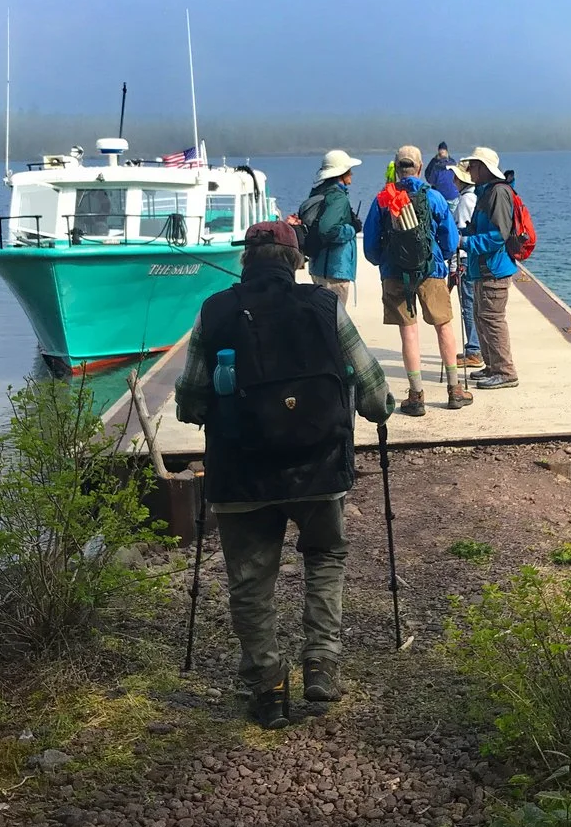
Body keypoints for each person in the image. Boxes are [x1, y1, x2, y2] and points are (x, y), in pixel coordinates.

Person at [174, 220, 394, 728]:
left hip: (240, 472)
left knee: (250, 581)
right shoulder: (325, 306)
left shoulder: (215, 312)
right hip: (318, 469)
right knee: (325, 556)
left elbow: (189, 401)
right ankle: (321, 665)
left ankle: (269, 688)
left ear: (245, 260)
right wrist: (377, 410)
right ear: (296, 260)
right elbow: (374, 393)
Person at [362, 145, 475, 415]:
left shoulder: (382, 199)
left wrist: (383, 263)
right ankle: (454, 390)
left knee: (408, 331)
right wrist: (440, 257)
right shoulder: (433, 197)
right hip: (431, 269)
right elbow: (448, 238)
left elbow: (369, 244)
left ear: (396, 168)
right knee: (444, 327)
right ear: (421, 167)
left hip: (394, 272)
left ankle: (416, 396)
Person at [460, 146, 519, 389]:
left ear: (484, 168)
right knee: (481, 318)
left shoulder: (498, 194)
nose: (469, 170)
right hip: (483, 269)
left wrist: (465, 242)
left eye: (473, 166)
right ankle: (492, 366)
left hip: (494, 270)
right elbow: (480, 230)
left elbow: (498, 236)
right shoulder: (485, 192)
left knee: (492, 320)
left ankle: (505, 371)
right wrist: (461, 234)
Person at [298, 149, 362, 304]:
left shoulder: (319, 192)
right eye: (349, 171)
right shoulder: (338, 198)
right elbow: (326, 229)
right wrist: (352, 229)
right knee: (335, 319)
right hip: (334, 271)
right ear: (341, 174)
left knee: (323, 316)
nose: (351, 174)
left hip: (319, 267)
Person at [449, 161, 481, 369]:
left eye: (456, 177)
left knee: (468, 304)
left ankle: (473, 350)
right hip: (473, 258)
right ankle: (476, 347)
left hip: (464, 259)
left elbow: (457, 238)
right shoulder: (475, 198)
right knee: (473, 303)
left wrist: (453, 266)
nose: (453, 180)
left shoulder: (465, 202)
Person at [423, 141, 460, 205]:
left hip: (443, 197)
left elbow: (430, 178)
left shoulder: (436, 165)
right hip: (452, 196)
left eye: (442, 151)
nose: (442, 153)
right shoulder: (453, 163)